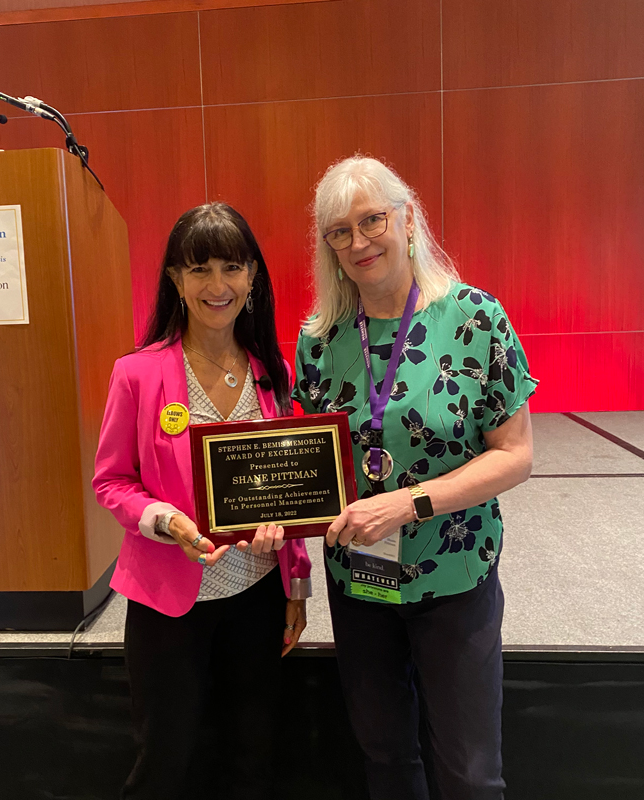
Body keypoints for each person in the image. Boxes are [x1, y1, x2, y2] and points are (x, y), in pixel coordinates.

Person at [293, 155, 537, 800]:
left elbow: (515, 454)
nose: (359, 242)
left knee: (470, 771)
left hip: (455, 574)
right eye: (339, 232)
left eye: (371, 220)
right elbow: (312, 463)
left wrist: (407, 504)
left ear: (406, 219)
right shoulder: (318, 340)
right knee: (387, 759)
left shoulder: (476, 319)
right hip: (360, 579)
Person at [93, 202, 312, 800]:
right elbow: (112, 481)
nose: (218, 286)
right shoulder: (137, 374)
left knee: (252, 752)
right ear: (174, 278)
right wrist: (165, 521)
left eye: (232, 268)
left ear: (253, 277)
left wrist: (297, 587)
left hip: (258, 595)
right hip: (170, 602)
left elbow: (289, 490)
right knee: (164, 759)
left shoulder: (273, 371)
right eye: (200, 269)